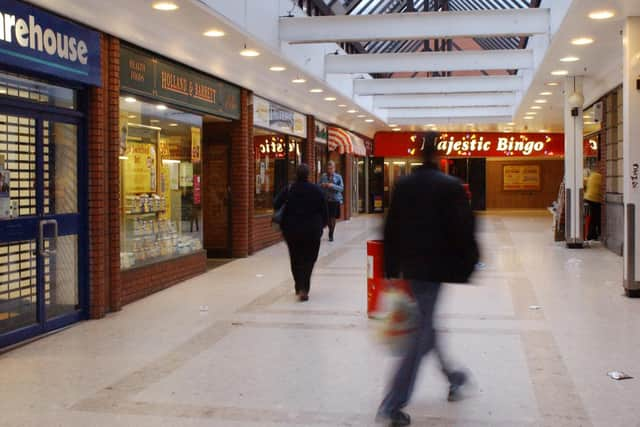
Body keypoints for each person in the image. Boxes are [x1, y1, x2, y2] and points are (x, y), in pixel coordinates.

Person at [377, 132, 479, 427]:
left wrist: (389, 269)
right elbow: (464, 230)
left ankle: (455, 377)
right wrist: (469, 264)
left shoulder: (404, 185)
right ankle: (393, 402)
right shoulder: (451, 187)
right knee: (420, 335)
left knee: (425, 327)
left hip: (411, 268)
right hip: (437, 271)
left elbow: (390, 228)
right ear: (439, 153)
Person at [274, 164, 328, 302]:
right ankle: (304, 287)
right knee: (309, 259)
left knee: (296, 259)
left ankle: (299, 286)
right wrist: (322, 224)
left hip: (292, 231)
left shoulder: (289, 189)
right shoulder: (316, 190)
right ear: (308, 175)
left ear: (295, 175)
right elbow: (325, 210)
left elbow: (276, 203)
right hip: (312, 231)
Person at [319, 160, 344, 241]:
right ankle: (330, 229)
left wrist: (332, 186)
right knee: (327, 218)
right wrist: (322, 185)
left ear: (334, 168)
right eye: (328, 168)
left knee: (332, 218)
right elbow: (318, 186)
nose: (329, 170)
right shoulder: (323, 176)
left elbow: (341, 188)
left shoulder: (338, 177)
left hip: (335, 200)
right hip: (326, 200)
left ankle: (331, 234)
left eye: (331, 168)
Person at [584, 171, 602, 241]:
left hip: (587, 198)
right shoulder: (600, 177)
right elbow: (601, 189)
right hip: (595, 200)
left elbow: (585, 183)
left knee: (590, 218)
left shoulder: (591, 176)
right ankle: (592, 235)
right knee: (595, 218)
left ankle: (591, 234)